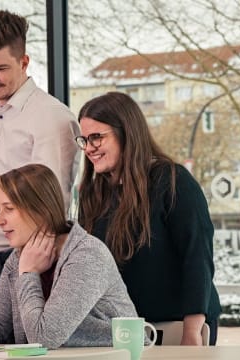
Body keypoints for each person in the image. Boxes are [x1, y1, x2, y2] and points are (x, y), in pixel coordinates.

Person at [76, 91, 221, 345]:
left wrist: (192, 331)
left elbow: (197, 257)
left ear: (127, 133)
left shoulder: (173, 181)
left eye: (97, 137)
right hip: (127, 328)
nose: (89, 148)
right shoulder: (94, 193)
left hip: (179, 323)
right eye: (84, 140)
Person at [0, 164, 136, 349]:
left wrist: (28, 273)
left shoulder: (87, 255)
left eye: (9, 209)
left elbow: (44, 337)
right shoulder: (19, 256)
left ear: (40, 210)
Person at [0, 10, 81, 308]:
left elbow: (52, 206)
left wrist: (29, 270)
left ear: (24, 62)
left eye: (0, 69)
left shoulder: (50, 117)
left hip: (28, 265)